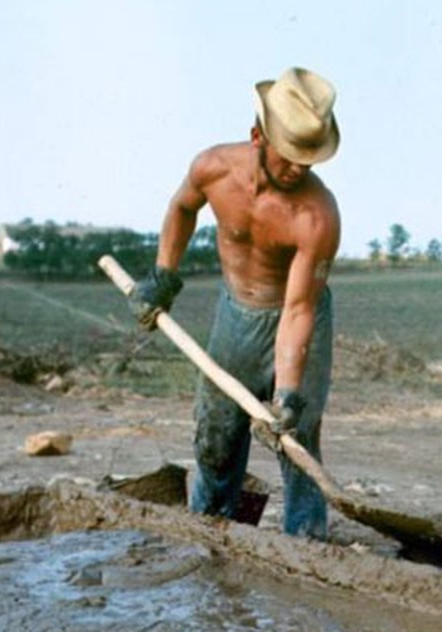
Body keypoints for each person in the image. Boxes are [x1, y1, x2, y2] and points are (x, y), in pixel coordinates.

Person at [128, 66, 341, 540]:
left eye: (308, 161)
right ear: (257, 135)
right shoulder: (212, 168)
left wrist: (285, 393)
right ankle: (211, 531)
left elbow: (299, 309)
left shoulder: (317, 216)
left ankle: (305, 544)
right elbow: (182, 208)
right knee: (217, 434)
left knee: (297, 436)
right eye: (289, 157)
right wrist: (164, 274)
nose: (298, 170)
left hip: (296, 316)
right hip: (235, 316)